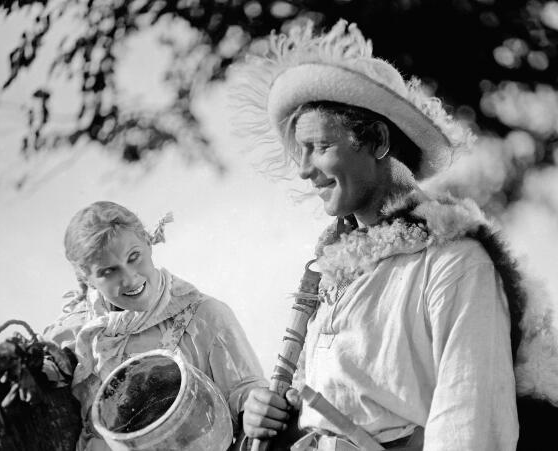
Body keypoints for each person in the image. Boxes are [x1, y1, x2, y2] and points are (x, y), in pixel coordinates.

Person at [233, 20, 558, 451]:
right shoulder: (331, 275)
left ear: (377, 141)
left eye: (321, 147)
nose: (305, 170)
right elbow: (336, 403)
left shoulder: (455, 264)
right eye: (301, 151)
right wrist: (274, 415)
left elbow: (469, 428)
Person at [44, 201, 267, 450]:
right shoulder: (78, 333)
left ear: (148, 243)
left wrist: (254, 408)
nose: (129, 279)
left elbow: (247, 394)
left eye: (134, 257)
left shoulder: (204, 318)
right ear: (88, 280)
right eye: (109, 271)